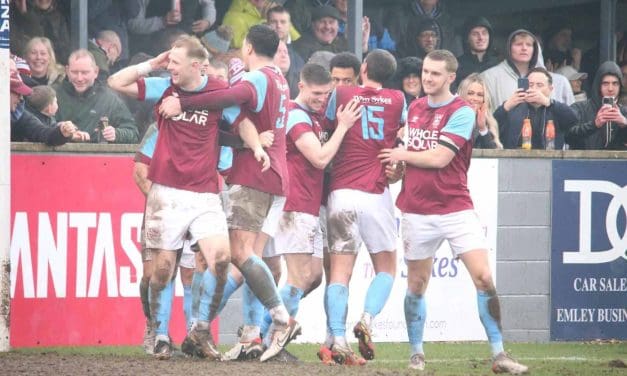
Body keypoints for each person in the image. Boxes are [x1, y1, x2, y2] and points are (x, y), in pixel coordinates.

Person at [377, 49, 528, 374]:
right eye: (425, 72)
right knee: (416, 284)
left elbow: (439, 159)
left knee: (484, 277)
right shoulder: (414, 108)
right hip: (416, 209)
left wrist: (401, 151)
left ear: (450, 78)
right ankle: (416, 354)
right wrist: (397, 169)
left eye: (434, 74)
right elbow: (411, 160)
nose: (427, 78)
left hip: (455, 207)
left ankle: (500, 354)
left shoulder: (461, 112)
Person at [158, 25, 302, 363]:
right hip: (275, 175)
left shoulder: (256, 78)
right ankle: (217, 330)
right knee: (244, 256)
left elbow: (225, 98)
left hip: (254, 174)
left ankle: (280, 319)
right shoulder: (280, 77)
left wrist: (185, 101)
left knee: (237, 253)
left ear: (247, 47)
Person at [107, 35, 242, 359]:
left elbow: (243, 116)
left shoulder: (220, 93)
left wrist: (257, 142)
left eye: (176, 63)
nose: (170, 68)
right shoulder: (164, 88)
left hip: (205, 195)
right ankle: (160, 332)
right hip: (166, 195)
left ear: (198, 66)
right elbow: (115, 81)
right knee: (161, 271)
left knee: (220, 259)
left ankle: (199, 330)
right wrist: (151, 64)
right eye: (169, 63)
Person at [322, 49, 406, 365]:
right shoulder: (398, 99)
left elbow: (328, 127)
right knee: (386, 269)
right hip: (376, 194)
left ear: (364, 68)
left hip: (341, 192)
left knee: (339, 274)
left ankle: (338, 340)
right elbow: (402, 136)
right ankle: (367, 319)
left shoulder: (342, 92)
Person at [54, 49, 139, 143]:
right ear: (67, 71)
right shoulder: (54, 95)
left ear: (96, 72)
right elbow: (39, 128)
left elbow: (133, 133)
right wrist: (58, 129)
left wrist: (116, 134)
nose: (79, 78)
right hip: (60, 156)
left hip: (97, 156)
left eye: (84, 73)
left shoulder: (110, 100)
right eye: (74, 72)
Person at [494, 67, 577, 150]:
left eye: (539, 85)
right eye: (530, 85)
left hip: (549, 159)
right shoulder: (513, 106)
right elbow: (492, 127)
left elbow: (574, 119)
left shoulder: (555, 108)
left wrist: (548, 102)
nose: (534, 89)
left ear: (550, 89)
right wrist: (506, 106)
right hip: (515, 158)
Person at [567, 61, 627, 150]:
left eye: (615, 83)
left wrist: (624, 124)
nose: (610, 89)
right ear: (598, 85)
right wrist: (594, 125)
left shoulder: (624, 112)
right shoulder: (579, 108)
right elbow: (568, 136)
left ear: (620, 86)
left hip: (616, 163)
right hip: (583, 162)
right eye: (605, 83)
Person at [10, 68, 76, 145]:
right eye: (17, 93)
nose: (21, 98)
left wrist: (62, 132)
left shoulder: (21, 116)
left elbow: (43, 134)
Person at [481, 29, 539, 108]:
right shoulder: (489, 77)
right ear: (509, 48)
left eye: (529, 45)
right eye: (519, 44)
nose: (524, 48)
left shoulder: (543, 77)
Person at [293, 5, 362, 62]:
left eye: (331, 22)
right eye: (322, 22)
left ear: (338, 26)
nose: (327, 26)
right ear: (313, 25)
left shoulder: (342, 41)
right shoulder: (301, 45)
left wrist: (363, 46)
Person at [457, 73, 502, 149]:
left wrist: (483, 129)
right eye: (470, 93)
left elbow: (493, 155)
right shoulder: (451, 118)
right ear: (462, 95)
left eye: (480, 95)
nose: (475, 98)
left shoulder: (490, 123)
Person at [455, 16, 499, 87]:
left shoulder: (497, 65)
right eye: (475, 34)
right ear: (467, 39)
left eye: (484, 33)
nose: (481, 38)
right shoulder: (457, 65)